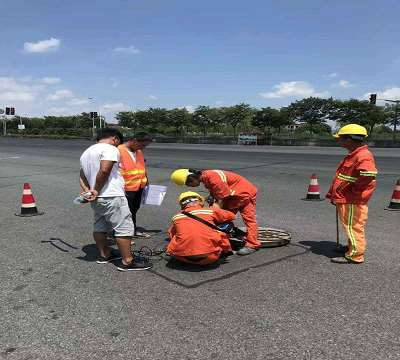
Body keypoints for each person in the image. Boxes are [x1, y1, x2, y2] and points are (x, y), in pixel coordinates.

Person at [79, 127, 152, 271]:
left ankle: (105, 255)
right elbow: (105, 169)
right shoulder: (111, 148)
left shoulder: (86, 152)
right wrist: (97, 190)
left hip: (98, 198)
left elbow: (82, 174)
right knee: (124, 228)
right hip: (111, 195)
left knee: (100, 226)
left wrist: (88, 191)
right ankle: (128, 261)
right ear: (115, 138)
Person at [170, 168, 261, 255]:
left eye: (188, 184)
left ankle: (252, 245)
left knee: (248, 219)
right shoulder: (206, 176)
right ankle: (227, 236)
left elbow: (221, 200)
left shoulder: (214, 178)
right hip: (233, 195)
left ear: (191, 178)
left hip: (244, 193)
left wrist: (213, 214)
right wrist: (211, 196)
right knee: (221, 218)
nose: (189, 186)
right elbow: (217, 191)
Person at [326, 124, 378, 264]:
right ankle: (351, 247)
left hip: (352, 199)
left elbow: (368, 174)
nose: (339, 141)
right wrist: (335, 194)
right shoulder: (354, 154)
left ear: (349, 139)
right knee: (350, 225)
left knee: (353, 226)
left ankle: (355, 255)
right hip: (346, 197)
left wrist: (355, 191)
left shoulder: (363, 155)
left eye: (341, 138)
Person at [167, 191, 235, 265]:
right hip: (210, 258)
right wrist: (217, 208)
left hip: (182, 257)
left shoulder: (176, 217)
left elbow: (171, 234)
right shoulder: (209, 210)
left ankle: (181, 252)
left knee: (174, 231)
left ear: (182, 205)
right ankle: (225, 251)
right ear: (200, 201)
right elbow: (232, 216)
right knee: (226, 225)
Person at [118, 132, 152, 238]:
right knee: (125, 211)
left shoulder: (138, 151)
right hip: (126, 187)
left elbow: (141, 166)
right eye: (142, 145)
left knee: (134, 209)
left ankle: (131, 230)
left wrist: (146, 179)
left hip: (138, 186)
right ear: (134, 140)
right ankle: (124, 234)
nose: (143, 148)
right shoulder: (118, 150)